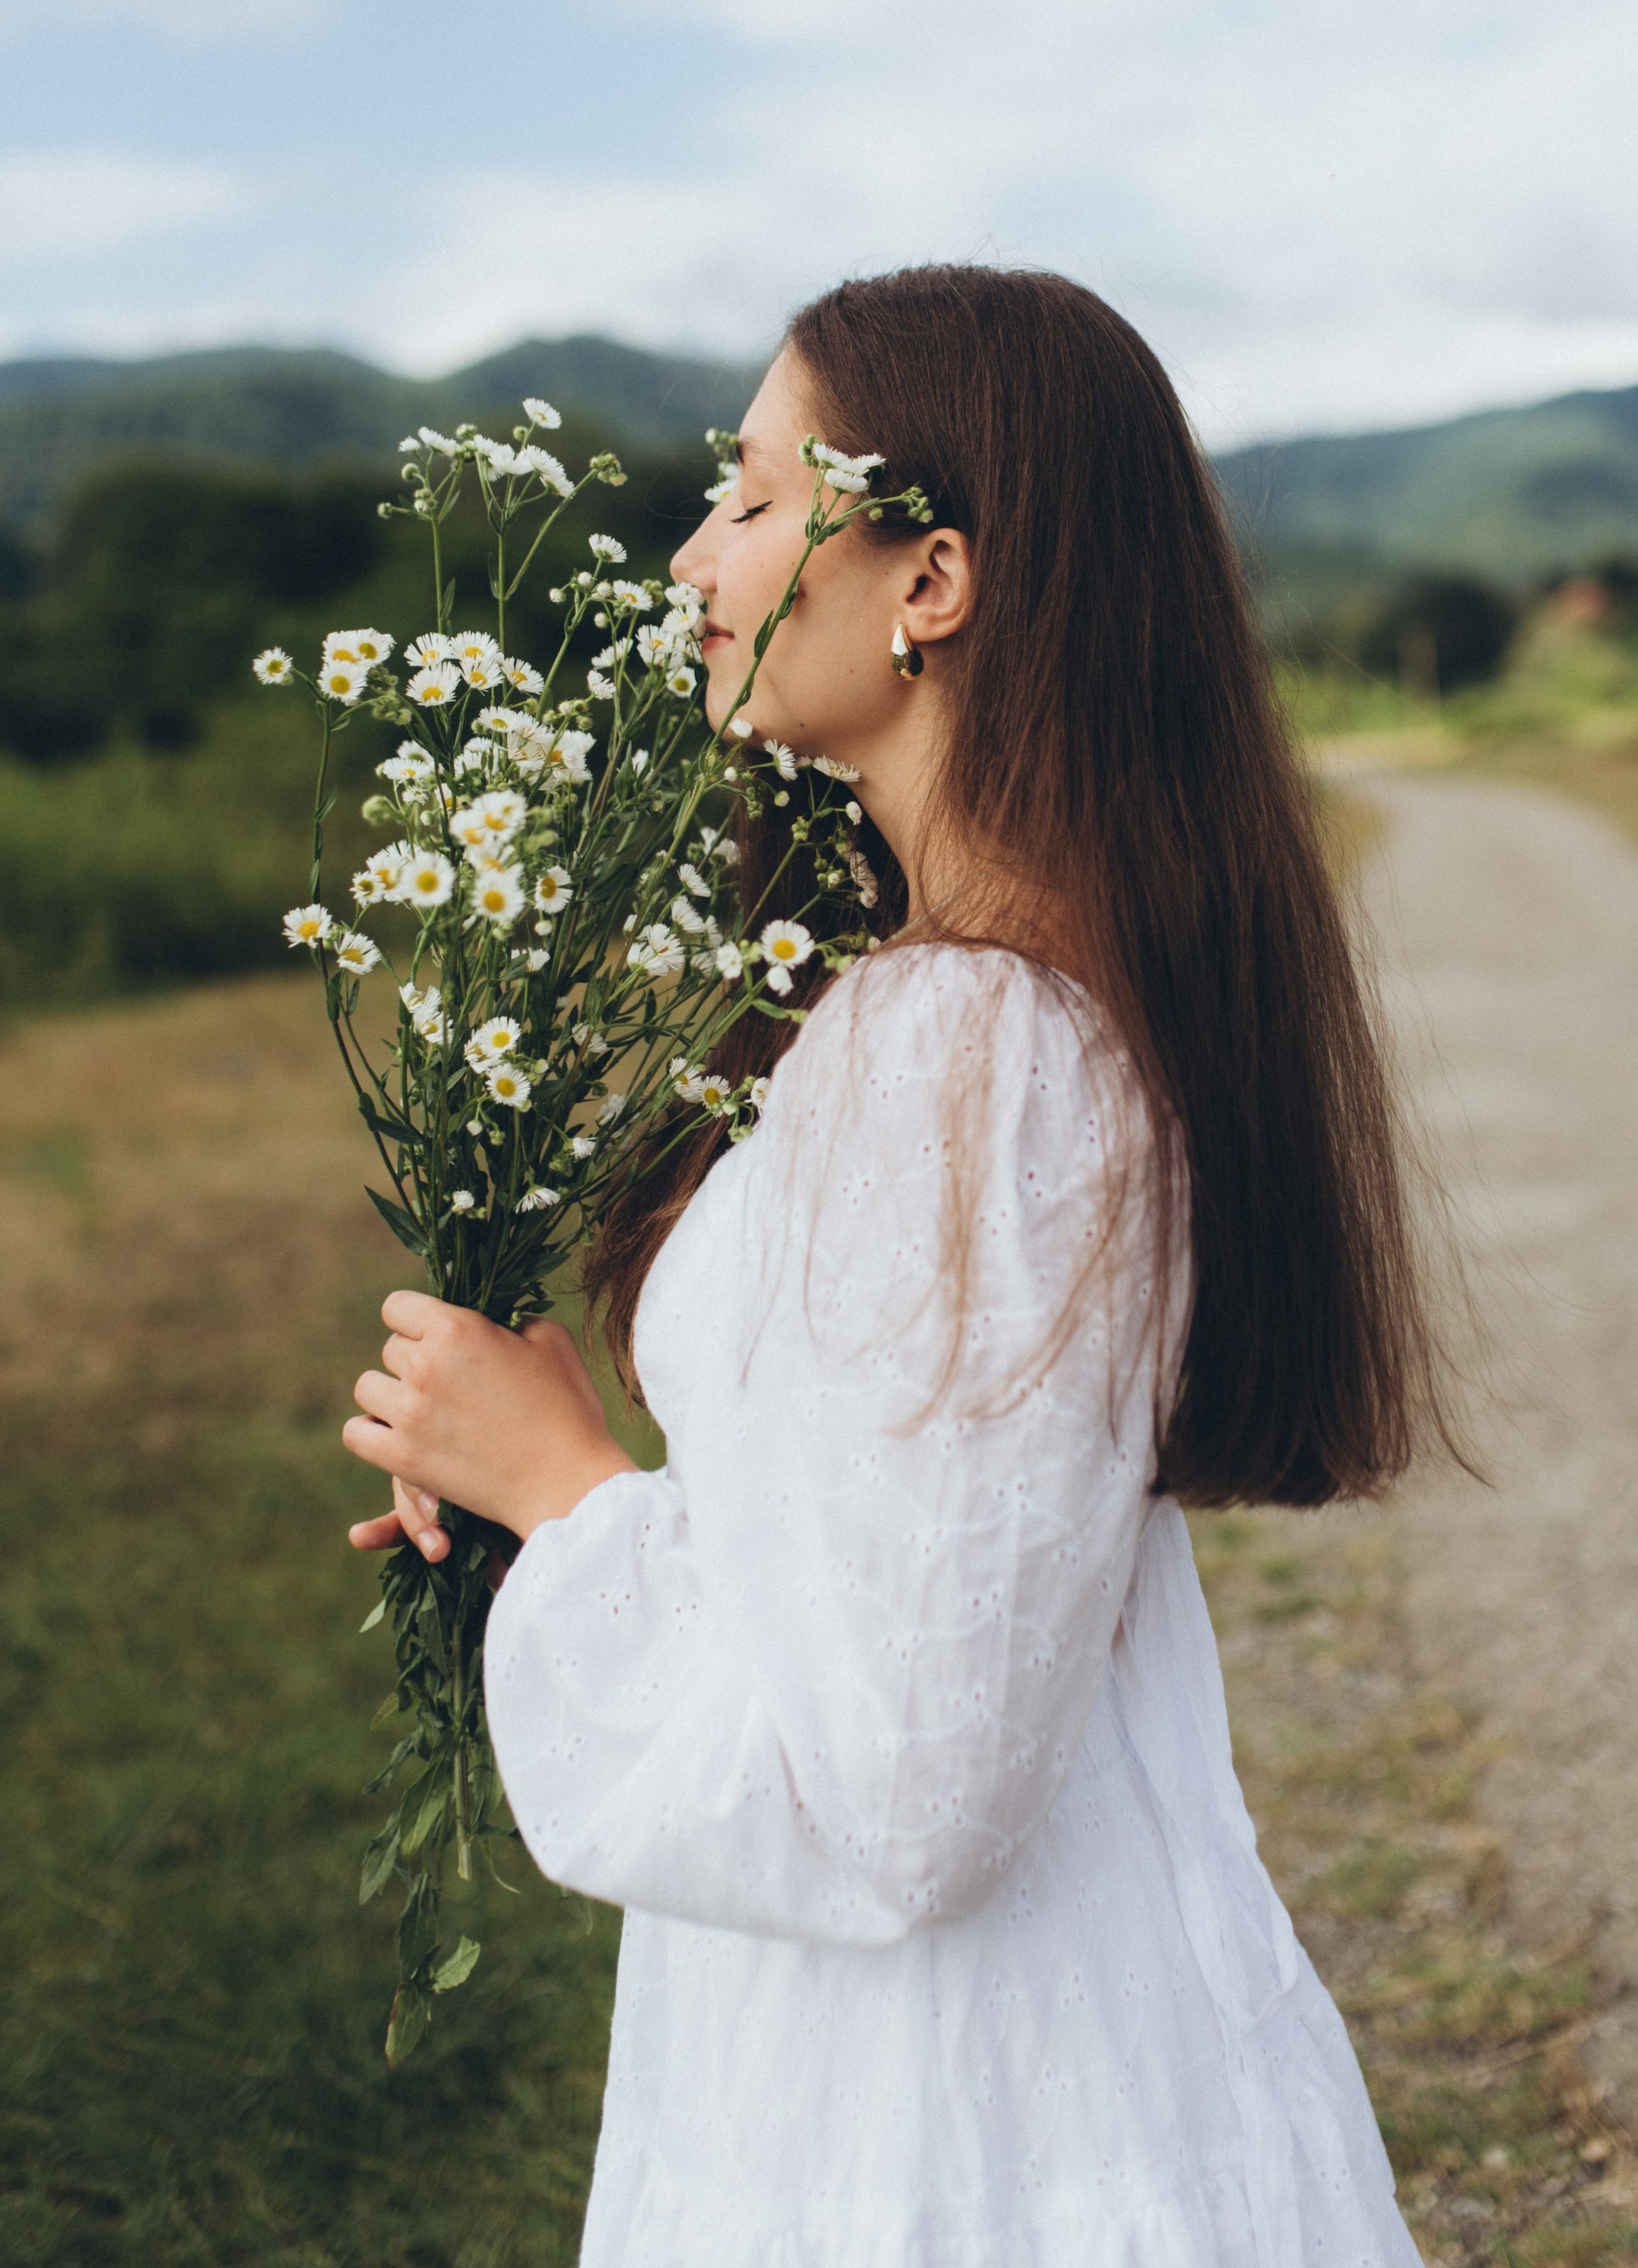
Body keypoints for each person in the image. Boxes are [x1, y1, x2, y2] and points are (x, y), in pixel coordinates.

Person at [344, 266, 1458, 2266]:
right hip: (956, 2050)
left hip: (966, 2110)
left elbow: (898, 1788)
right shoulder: (972, 1006)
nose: (692, 552)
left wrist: (572, 1495)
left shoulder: (970, 1047)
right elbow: (890, 1563)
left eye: (755, 497)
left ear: (929, 578)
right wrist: (566, 1512)